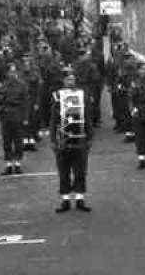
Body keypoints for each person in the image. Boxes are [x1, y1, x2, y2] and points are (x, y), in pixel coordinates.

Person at [51, 70, 94, 212]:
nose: (71, 82)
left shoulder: (82, 95)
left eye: (73, 79)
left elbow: (87, 116)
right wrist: (52, 139)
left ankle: (80, 199)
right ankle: (65, 201)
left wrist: (89, 136)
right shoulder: (57, 97)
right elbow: (53, 120)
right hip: (63, 140)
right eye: (68, 80)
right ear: (63, 81)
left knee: (80, 171)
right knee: (63, 171)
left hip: (80, 139)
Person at [0, 64, 28, 175]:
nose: (13, 74)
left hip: (17, 113)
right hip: (6, 115)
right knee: (7, 140)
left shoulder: (22, 85)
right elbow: (0, 100)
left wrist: (25, 117)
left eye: (14, 72)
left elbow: (25, 102)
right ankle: (9, 165)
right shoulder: (3, 85)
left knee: (18, 141)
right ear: (7, 73)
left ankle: (18, 164)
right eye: (11, 72)